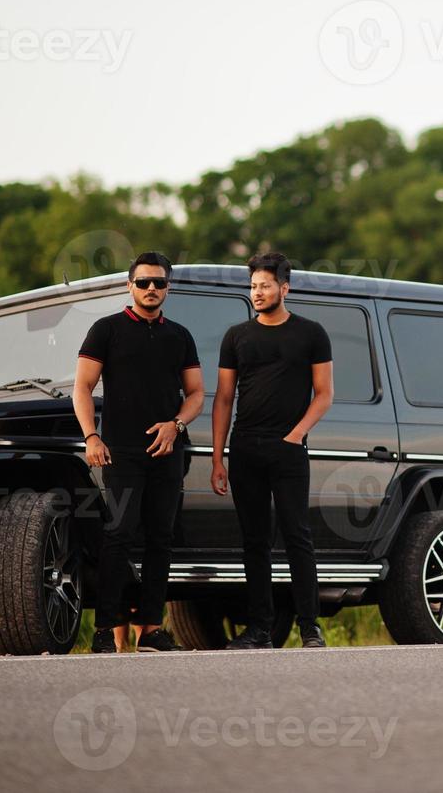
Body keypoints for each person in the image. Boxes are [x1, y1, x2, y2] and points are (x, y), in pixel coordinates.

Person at [74, 252, 204, 654]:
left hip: (168, 453)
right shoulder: (106, 330)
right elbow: (81, 388)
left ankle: (150, 631)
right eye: (144, 282)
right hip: (121, 453)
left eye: (159, 283)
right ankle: (104, 631)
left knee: (161, 541)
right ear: (129, 286)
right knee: (117, 535)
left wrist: (176, 424)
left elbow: (196, 393)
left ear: (168, 288)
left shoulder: (180, 335)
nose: (152, 289)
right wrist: (91, 437)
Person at [211, 251, 334, 649]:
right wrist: (218, 456)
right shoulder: (236, 336)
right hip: (245, 448)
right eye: (253, 286)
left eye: (265, 285)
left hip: (289, 449)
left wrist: (296, 435)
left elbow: (324, 394)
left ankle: (310, 627)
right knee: (255, 540)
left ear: (285, 287)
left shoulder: (311, 333)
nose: (257, 293)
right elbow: (224, 398)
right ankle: (260, 629)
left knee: (298, 535)